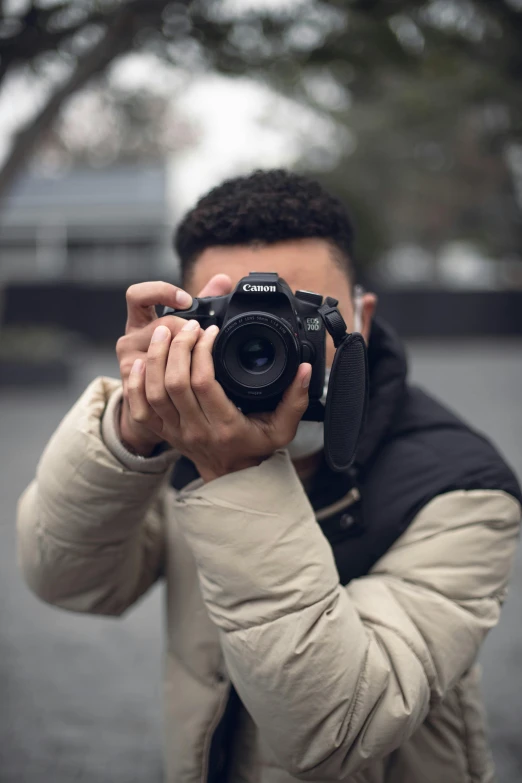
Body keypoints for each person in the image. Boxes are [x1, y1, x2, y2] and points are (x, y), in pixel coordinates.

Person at [17, 169, 521, 783]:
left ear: (359, 315)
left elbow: (338, 734)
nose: (266, 346)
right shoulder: (173, 447)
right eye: (233, 321)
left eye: (303, 316)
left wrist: (233, 474)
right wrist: (131, 429)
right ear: (178, 321)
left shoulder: (462, 488)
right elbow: (69, 581)